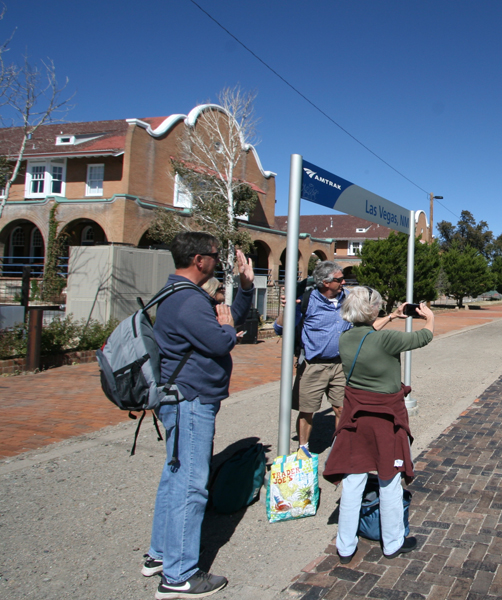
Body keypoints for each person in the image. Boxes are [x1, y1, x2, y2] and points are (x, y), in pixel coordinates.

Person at [142, 232, 254, 600]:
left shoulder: (180, 294)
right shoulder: (189, 302)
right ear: (198, 260)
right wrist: (226, 332)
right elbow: (222, 337)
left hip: (182, 399)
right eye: (214, 256)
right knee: (191, 485)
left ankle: (160, 555)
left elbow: (226, 320)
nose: (218, 261)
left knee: (175, 478)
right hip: (190, 402)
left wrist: (246, 288)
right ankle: (179, 576)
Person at [323, 288, 434, 561]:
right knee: (389, 479)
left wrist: (393, 315)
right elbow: (424, 337)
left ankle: (345, 546)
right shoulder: (385, 340)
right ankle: (392, 542)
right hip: (385, 419)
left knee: (353, 479)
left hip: (356, 418)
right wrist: (429, 317)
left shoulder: (345, 339)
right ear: (372, 310)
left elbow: (368, 330)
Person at [274, 262, 393, 455]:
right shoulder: (307, 301)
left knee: (341, 408)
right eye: (339, 279)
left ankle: (340, 447)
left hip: (341, 365)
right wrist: (287, 309)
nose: (343, 282)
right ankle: (303, 449)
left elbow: (367, 315)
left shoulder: (348, 299)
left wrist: (391, 315)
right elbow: (280, 329)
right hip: (313, 365)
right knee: (307, 410)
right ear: (325, 283)